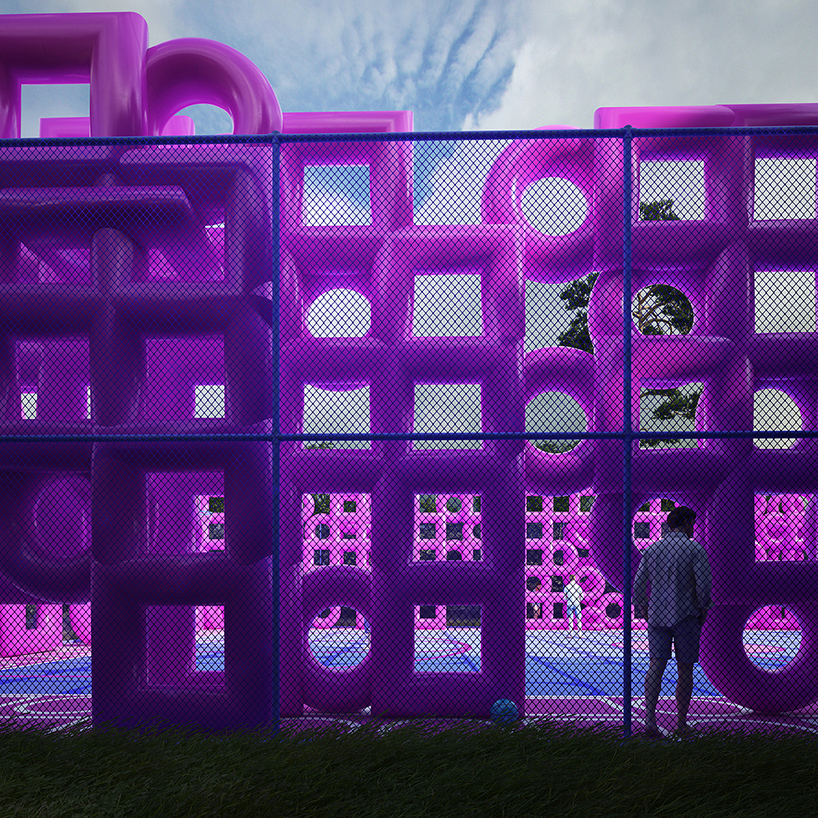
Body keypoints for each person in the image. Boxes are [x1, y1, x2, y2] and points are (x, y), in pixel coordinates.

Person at [633, 505, 711, 739]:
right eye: (692, 524)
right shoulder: (694, 548)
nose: (693, 528)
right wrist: (703, 607)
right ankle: (681, 722)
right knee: (685, 668)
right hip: (686, 614)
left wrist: (643, 607)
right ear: (687, 523)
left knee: (656, 665)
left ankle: (650, 720)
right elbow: (704, 585)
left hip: (657, 615)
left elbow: (638, 584)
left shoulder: (652, 549)